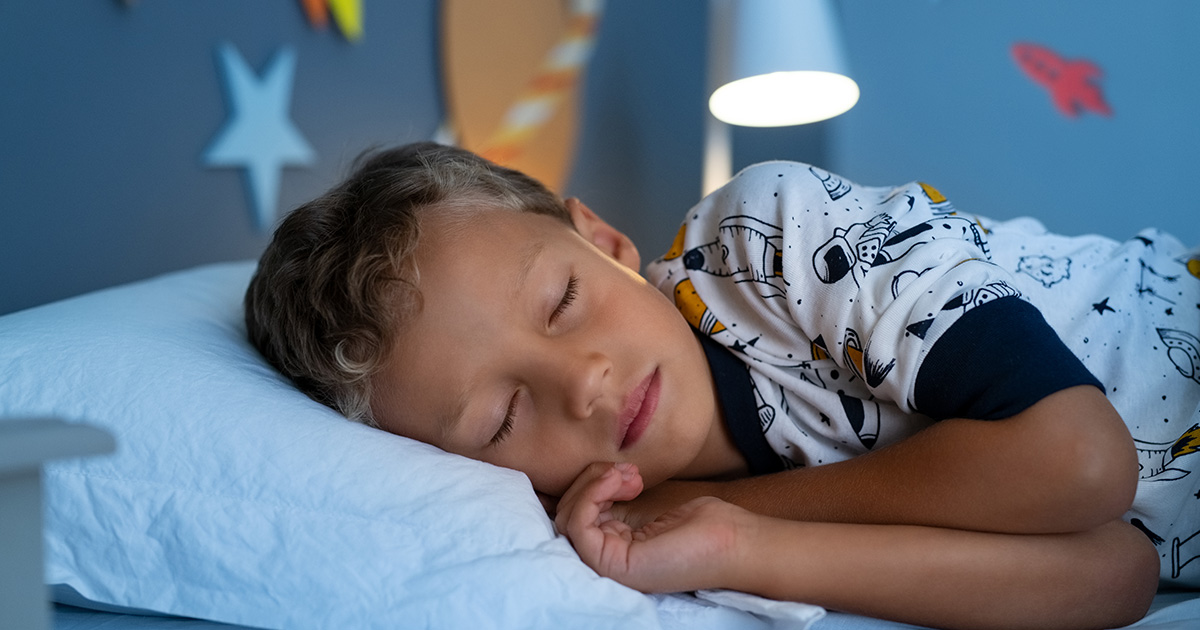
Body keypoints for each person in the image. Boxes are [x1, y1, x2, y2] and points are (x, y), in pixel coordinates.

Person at [245, 141, 1200, 629]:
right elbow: (1114, 572)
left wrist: (740, 511)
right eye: (501, 419)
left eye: (565, 300)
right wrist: (738, 544)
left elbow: (1082, 463)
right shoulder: (652, 520)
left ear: (606, 242)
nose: (582, 384)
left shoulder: (766, 238)